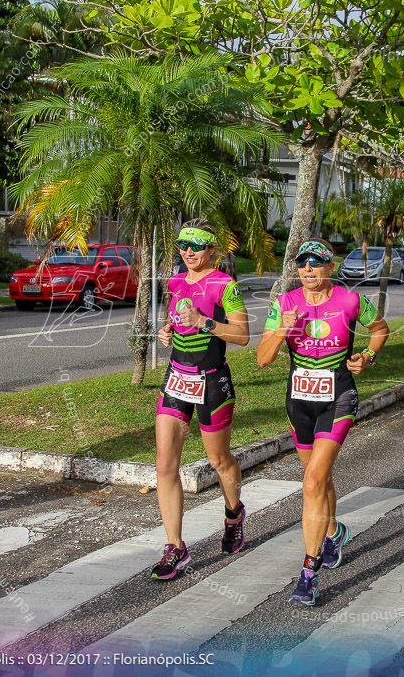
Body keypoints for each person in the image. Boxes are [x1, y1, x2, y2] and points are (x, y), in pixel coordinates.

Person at [257, 239, 389, 606]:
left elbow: (380, 330)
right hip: (299, 401)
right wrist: (283, 328)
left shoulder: (348, 300)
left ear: (330, 267)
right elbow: (263, 359)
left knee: (312, 481)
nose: (308, 269)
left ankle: (308, 575)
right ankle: (333, 532)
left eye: (317, 263)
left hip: (338, 397)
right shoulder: (285, 303)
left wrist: (366, 356)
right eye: (303, 264)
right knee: (321, 478)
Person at [152, 219, 250, 580]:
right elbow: (178, 321)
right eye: (182, 245)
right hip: (177, 378)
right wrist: (167, 332)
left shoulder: (226, 286)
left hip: (211, 381)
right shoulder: (175, 281)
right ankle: (175, 546)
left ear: (212, 250)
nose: (188, 252)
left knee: (219, 460)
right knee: (165, 465)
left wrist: (205, 322)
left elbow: (242, 336)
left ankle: (233, 512)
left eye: (196, 245)